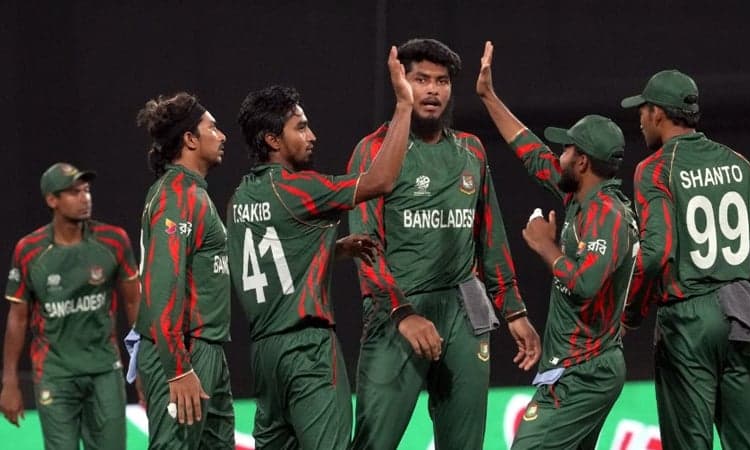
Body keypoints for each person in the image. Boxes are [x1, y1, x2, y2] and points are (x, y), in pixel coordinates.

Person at [347, 38, 541, 450]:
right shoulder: (373, 150)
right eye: (421, 79)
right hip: (398, 313)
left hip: (465, 311)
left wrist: (514, 310)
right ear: (401, 81)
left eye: (442, 81)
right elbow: (366, 247)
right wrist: (402, 313)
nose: (433, 90)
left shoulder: (471, 150)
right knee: (373, 442)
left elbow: (490, 237)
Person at [227, 46, 413, 450]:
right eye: (301, 128)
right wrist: (403, 105)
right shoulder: (299, 189)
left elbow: (276, 253)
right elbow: (381, 179)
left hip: (264, 355)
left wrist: (336, 249)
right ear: (272, 139)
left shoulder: (241, 196)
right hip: (306, 349)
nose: (312, 136)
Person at [477, 41, 638, 449]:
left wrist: (545, 246)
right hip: (576, 367)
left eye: (566, 149)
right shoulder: (580, 196)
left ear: (582, 162)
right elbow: (532, 155)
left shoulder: (607, 214)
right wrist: (488, 97)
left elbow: (585, 284)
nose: (558, 154)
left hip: (585, 371)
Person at [619, 69, 750, 450]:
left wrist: (628, 313)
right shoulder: (739, 164)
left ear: (658, 113)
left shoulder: (655, 169)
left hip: (687, 318)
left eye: (643, 110)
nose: (640, 119)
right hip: (741, 312)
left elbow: (656, 253)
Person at [0, 162, 140, 450]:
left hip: (104, 369)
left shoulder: (113, 240)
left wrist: (144, 367)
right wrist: (9, 381)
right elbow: (17, 318)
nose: (84, 198)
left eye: (86, 190)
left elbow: (134, 301)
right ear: (52, 200)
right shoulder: (29, 250)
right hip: (55, 373)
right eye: (74, 192)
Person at [135, 92, 234, 449]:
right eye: (213, 128)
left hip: (205, 346)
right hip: (186, 348)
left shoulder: (193, 192)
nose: (222, 136)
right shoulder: (177, 195)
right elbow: (163, 287)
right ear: (190, 139)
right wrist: (178, 368)